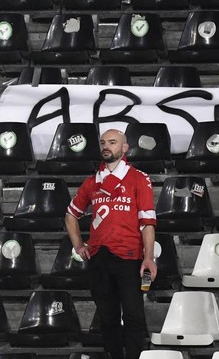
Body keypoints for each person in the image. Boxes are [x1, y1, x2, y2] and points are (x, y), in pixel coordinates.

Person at [65, 128, 157, 359]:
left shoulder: (139, 178)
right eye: (104, 142)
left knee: (134, 316)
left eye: (113, 142)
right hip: (99, 258)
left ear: (124, 148)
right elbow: (71, 214)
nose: (107, 146)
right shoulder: (91, 183)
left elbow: (147, 222)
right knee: (108, 319)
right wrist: (78, 245)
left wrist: (148, 257)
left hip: (129, 257)